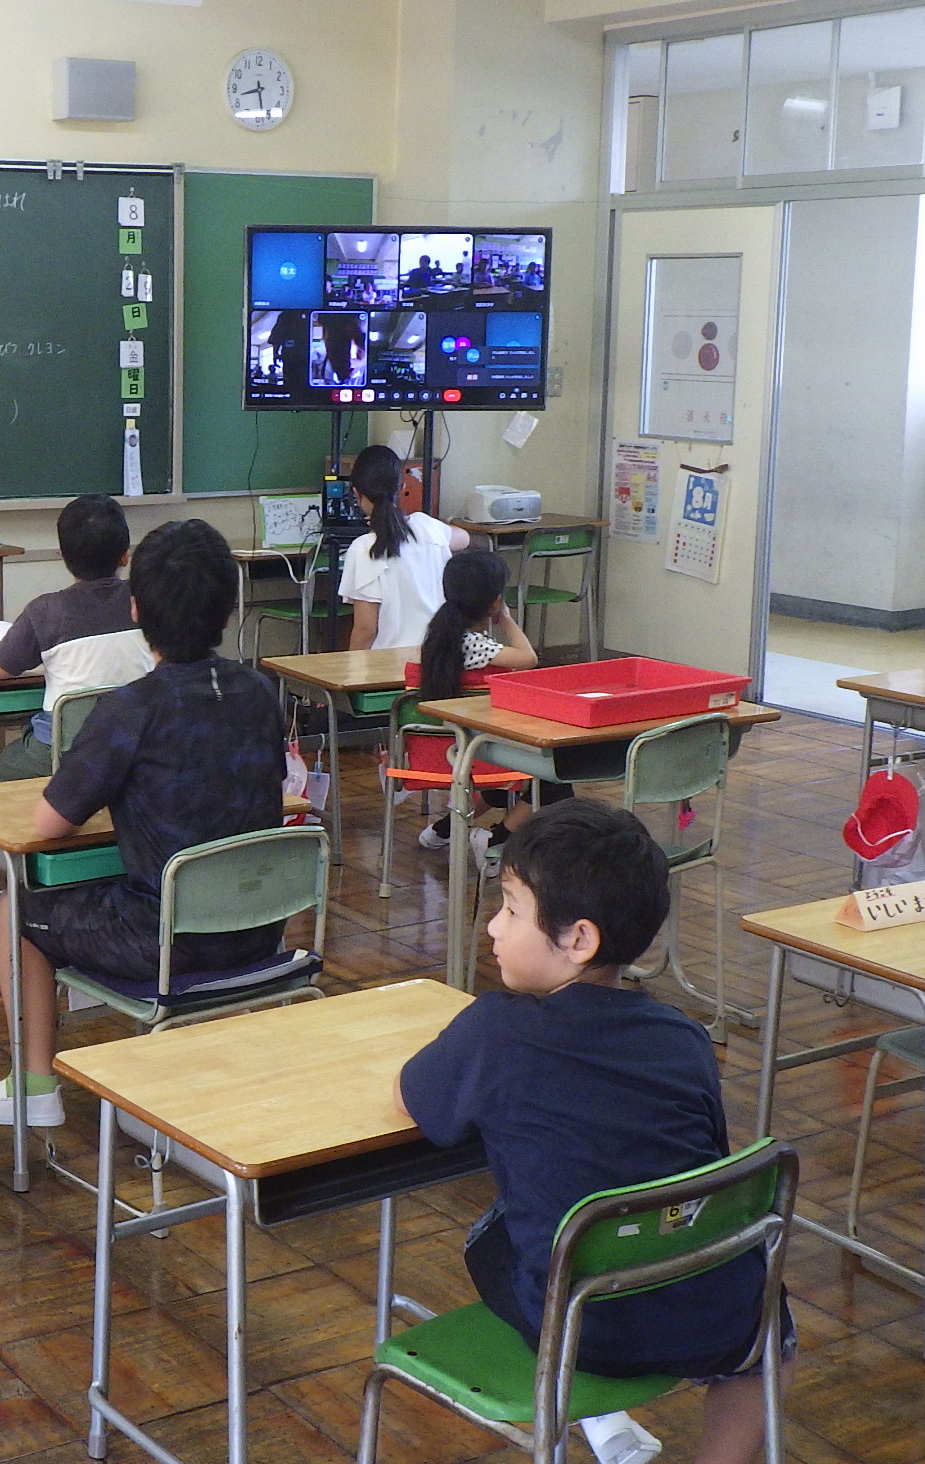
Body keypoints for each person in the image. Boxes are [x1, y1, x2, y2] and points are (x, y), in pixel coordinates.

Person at [400, 799, 785, 1464]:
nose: (493, 926)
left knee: (501, 1232)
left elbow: (415, 1099)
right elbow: (699, 1169)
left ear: (579, 940)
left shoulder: (494, 1031)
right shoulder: (686, 1038)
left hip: (581, 1326)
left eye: (511, 910)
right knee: (771, 1336)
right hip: (716, 1309)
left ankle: (595, 1411)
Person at [0, 519, 284, 1127]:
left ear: (136, 609)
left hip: (164, 938)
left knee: (20, 908)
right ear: (230, 610)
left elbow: (49, 823)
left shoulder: (131, 708)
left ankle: (35, 1085)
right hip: (262, 924)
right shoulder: (261, 692)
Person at [0, 495, 154, 782]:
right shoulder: (146, 599)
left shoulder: (46, 611)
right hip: (140, 746)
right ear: (125, 556)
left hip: (65, 751)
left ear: (62, 554)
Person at [410, 550, 539, 874]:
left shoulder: (439, 636)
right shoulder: (476, 645)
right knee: (552, 784)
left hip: (442, 751)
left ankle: (443, 830)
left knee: (503, 787)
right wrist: (507, 620)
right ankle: (495, 841)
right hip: (477, 752)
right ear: (495, 601)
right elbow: (528, 658)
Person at [340, 442, 469, 651]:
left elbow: (366, 629)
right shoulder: (428, 527)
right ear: (402, 488)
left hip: (390, 662)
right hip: (440, 655)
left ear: (356, 493)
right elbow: (464, 538)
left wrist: (350, 667)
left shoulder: (362, 548)